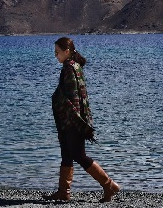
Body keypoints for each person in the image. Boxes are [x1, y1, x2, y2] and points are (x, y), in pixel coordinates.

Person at [43, 37, 120, 203]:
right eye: (55, 52)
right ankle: (64, 192)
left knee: (79, 155)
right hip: (72, 120)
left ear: (67, 51)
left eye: (57, 52)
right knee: (66, 154)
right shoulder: (74, 67)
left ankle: (109, 185)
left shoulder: (69, 68)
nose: (55, 55)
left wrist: (70, 117)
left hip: (72, 120)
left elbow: (72, 99)